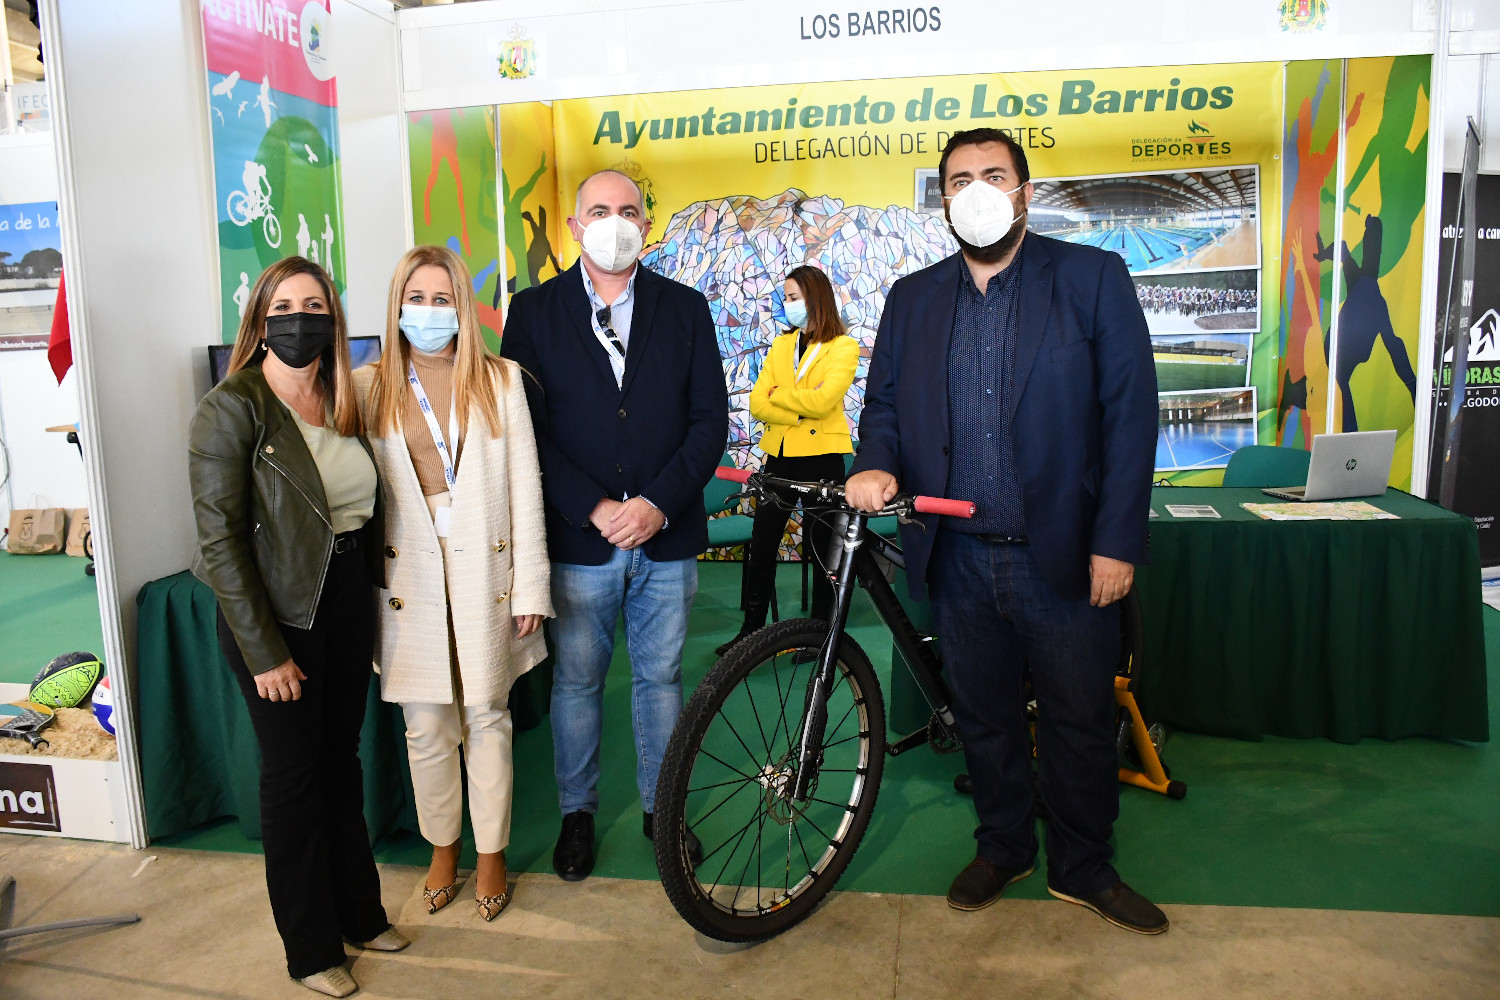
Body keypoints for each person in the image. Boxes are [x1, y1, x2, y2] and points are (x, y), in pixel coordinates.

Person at [845, 129, 1165, 934]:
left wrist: (1118, 541)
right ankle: (1004, 846)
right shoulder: (913, 298)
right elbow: (883, 406)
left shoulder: (1091, 278)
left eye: (994, 174)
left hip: (1061, 558)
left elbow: (1130, 418)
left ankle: (1084, 865)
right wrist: (875, 462)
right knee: (982, 718)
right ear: (943, 198)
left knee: (1079, 720)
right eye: (959, 179)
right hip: (955, 559)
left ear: (1025, 191)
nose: (977, 189)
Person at [500, 168, 728, 882]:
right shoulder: (533, 312)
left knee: (660, 679)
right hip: (578, 539)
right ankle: (577, 814)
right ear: (573, 226)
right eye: (598, 210)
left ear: (647, 226)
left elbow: (709, 421)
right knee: (577, 683)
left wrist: (657, 502)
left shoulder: (686, 308)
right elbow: (525, 429)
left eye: (628, 210)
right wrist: (594, 507)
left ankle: (665, 816)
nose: (614, 221)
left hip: (667, 534)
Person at [188, 257, 407, 998]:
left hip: (345, 599)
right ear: (260, 318)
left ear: (332, 321)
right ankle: (311, 949)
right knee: (293, 779)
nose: (300, 318)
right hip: (277, 614)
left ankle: (362, 916)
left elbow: (360, 509)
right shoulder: (231, 407)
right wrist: (264, 651)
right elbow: (220, 542)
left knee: (341, 764)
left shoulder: (343, 396)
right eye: (285, 305)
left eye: (315, 305)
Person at [355, 245, 551, 922]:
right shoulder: (367, 384)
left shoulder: (499, 379)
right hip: (407, 571)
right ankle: (443, 848)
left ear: (463, 309)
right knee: (425, 724)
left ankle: (491, 854)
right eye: (417, 299)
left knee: (488, 716)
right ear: (395, 306)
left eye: (443, 300)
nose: (429, 312)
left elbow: (526, 483)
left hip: (484, 568)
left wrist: (531, 587)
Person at [718, 263, 859, 654]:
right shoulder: (781, 345)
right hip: (778, 458)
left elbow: (823, 400)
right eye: (786, 297)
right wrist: (796, 408)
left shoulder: (843, 347)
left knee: (819, 553)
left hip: (822, 459)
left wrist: (782, 397)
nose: (788, 304)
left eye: (794, 297)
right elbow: (756, 402)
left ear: (816, 298)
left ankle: (818, 639)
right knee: (762, 547)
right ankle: (750, 633)